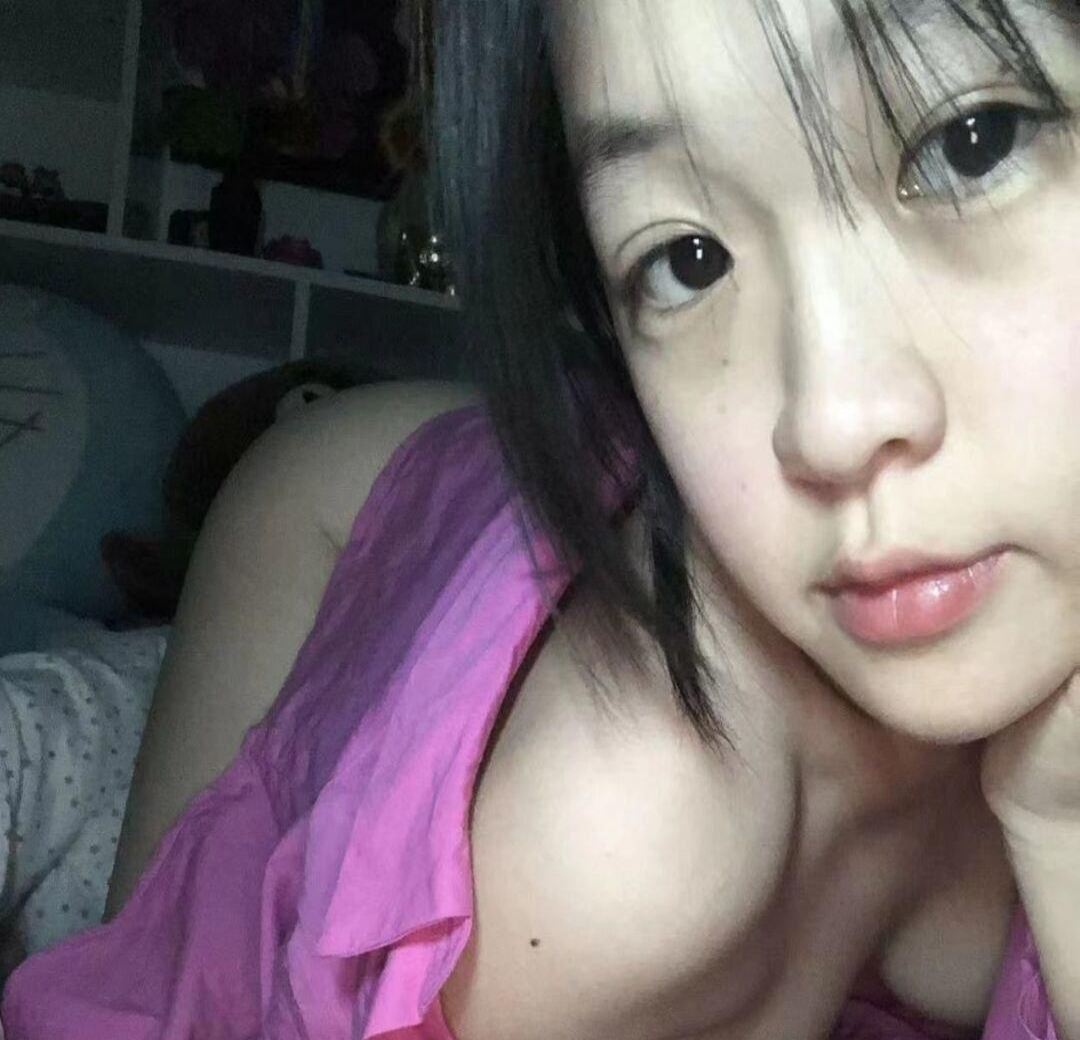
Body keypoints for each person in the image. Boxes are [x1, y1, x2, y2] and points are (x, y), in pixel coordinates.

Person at [4, 0, 1079, 1037]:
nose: (834, 425)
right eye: (684, 258)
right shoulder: (620, 844)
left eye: (971, 144)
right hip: (329, 502)